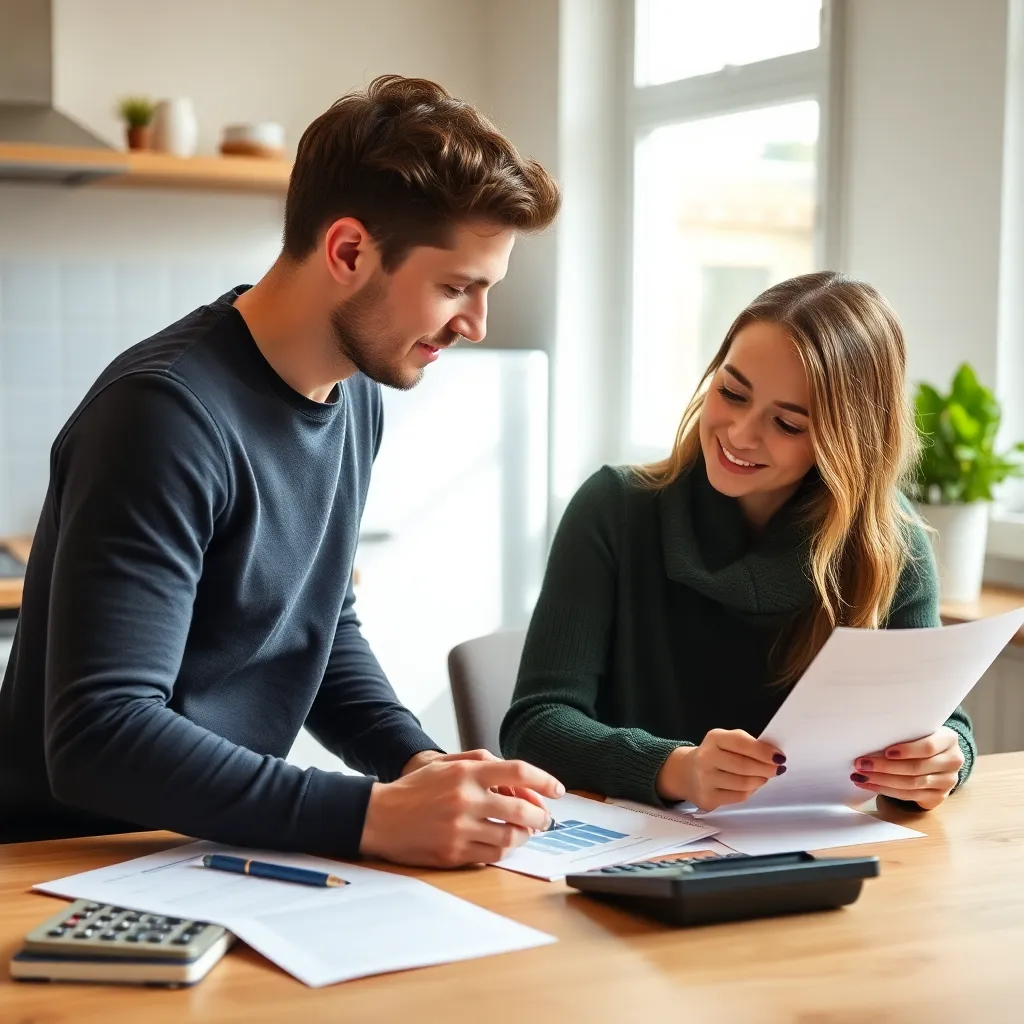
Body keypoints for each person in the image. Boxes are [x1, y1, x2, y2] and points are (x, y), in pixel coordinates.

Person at [0, 75, 566, 865]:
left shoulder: (354, 393)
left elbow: (317, 625)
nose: (475, 324)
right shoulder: (163, 417)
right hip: (74, 868)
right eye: (454, 288)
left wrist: (417, 764)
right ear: (347, 251)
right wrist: (371, 816)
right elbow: (103, 733)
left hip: (215, 848)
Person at [501, 271, 975, 813]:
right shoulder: (615, 508)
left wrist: (943, 758)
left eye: (788, 424)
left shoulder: (890, 543)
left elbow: (939, 723)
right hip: (632, 853)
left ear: (848, 440)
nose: (741, 433)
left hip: (816, 861)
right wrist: (675, 769)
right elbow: (535, 726)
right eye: (731, 392)